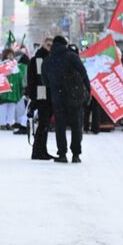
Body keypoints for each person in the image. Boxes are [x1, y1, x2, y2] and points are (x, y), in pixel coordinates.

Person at [42, 35, 91, 164]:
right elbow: (84, 73)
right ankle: (76, 154)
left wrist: (55, 86)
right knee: (76, 125)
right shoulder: (72, 56)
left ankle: (62, 154)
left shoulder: (48, 59)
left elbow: (45, 81)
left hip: (57, 97)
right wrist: (87, 91)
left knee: (60, 126)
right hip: (75, 96)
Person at [26, 40, 53, 160]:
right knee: (42, 125)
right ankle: (37, 151)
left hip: (48, 96)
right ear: (43, 45)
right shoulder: (36, 59)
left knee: (44, 125)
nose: (50, 47)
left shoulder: (51, 58)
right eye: (48, 44)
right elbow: (31, 79)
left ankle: (42, 150)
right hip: (41, 96)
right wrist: (33, 97)